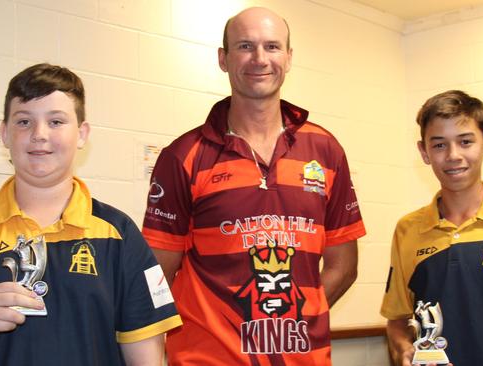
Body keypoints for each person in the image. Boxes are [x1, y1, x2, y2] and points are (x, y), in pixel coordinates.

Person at [0, 63, 182, 365]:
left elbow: (146, 357)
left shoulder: (119, 234)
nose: (39, 134)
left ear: (82, 134)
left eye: (56, 121)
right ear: (4, 134)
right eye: (23, 122)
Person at [142, 7, 365, 365]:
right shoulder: (183, 156)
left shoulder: (326, 150)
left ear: (289, 58)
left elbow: (344, 266)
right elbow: (157, 277)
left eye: (272, 47)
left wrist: (298, 317)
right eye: (245, 46)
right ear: (223, 59)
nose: (260, 59)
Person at [381, 90, 483, 366]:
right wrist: (404, 352)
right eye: (439, 145)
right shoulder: (407, 230)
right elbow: (397, 321)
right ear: (423, 152)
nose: (453, 155)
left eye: (465, 141)